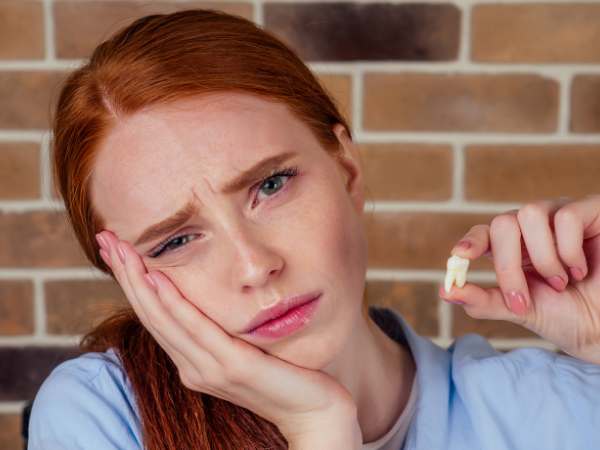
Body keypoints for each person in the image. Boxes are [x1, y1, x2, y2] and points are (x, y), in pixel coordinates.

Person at [27, 8, 600, 450]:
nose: (255, 266)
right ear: (131, 278)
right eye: (175, 241)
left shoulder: (548, 409)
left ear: (347, 171)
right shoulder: (102, 416)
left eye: (271, 186)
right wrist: (318, 425)